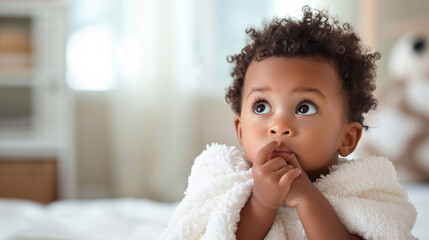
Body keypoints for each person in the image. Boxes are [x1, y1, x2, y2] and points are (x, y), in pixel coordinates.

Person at [161, 6, 417, 240]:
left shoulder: (364, 190)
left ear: (347, 138)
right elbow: (219, 233)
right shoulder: (226, 179)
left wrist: (308, 200)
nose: (279, 124)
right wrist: (261, 203)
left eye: (304, 107)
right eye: (261, 106)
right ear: (240, 130)